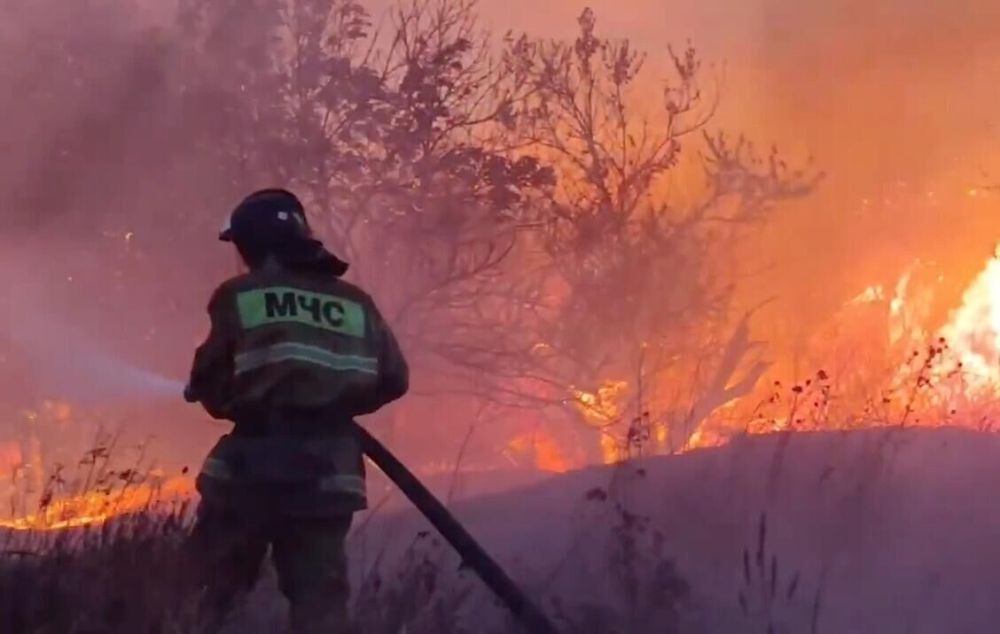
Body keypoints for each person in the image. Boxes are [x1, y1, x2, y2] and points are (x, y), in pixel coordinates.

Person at [183, 188, 408, 633]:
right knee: (321, 606)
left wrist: (223, 396)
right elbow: (395, 379)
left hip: (251, 468)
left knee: (205, 593)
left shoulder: (239, 295)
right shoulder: (356, 303)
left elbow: (209, 380)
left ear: (250, 245)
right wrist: (333, 402)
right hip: (328, 472)